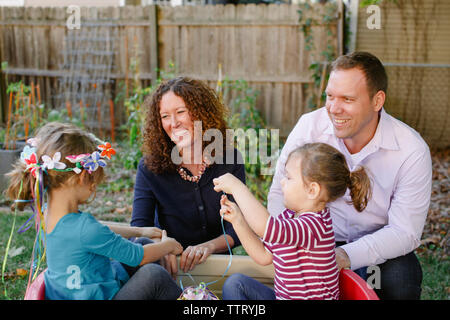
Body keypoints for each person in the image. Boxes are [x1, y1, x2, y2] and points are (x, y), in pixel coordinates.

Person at [267, 52, 432, 300]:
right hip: (310, 239)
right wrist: (288, 242)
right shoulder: (309, 126)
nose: (334, 108)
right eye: (330, 96)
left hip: (374, 249)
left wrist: (346, 256)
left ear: (377, 101)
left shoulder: (411, 150)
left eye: (347, 99)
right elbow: (279, 193)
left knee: (402, 276)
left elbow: (404, 231)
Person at [6, 122, 183, 300]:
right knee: (153, 275)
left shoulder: (47, 213)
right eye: (94, 180)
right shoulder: (84, 229)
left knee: (144, 241)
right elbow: (138, 257)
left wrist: (139, 231)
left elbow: (98, 229)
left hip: (74, 292)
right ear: (83, 177)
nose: (94, 187)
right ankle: (196, 304)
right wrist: (169, 245)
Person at [214, 142, 372, 300]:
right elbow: (263, 255)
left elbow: (266, 227)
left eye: (289, 177)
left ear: (312, 190)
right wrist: (238, 221)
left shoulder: (315, 225)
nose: (282, 182)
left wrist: (237, 187)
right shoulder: (288, 216)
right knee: (235, 284)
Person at [131, 77, 245, 277]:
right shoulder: (149, 168)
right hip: (170, 269)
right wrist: (160, 247)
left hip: (218, 267)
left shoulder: (230, 160)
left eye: (180, 112)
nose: (173, 123)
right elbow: (140, 229)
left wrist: (208, 247)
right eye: (165, 116)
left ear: (202, 114)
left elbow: (238, 228)